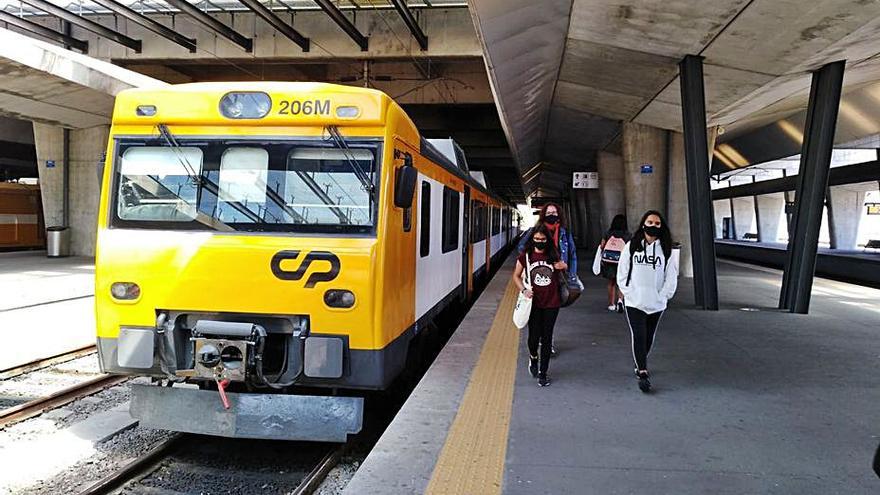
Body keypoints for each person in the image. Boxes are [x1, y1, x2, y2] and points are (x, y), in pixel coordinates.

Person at [616, 210, 679, 393]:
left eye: (657, 223)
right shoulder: (632, 246)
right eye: (650, 222)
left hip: (656, 303)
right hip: (634, 302)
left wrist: (663, 295)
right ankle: (642, 372)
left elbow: (671, 276)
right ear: (643, 224)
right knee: (639, 335)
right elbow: (622, 271)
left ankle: (639, 362)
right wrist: (629, 293)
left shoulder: (666, 249)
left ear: (662, 227)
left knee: (649, 337)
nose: (653, 226)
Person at [517, 203, 578, 356]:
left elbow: (572, 255)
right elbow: (521, 248)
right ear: (543, 214)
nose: (552, 214)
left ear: (560, 215)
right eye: (549, 212)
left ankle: (547, 343)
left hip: (556, 281)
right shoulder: (535, 232)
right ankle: (537, 347)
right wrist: (532, 262)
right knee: (536, 321)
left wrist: (570, 274)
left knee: (549, 319)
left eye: (555, 212)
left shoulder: (564, 233)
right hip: (537, 279)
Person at [512, 224, 566, 387]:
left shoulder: (553, 254)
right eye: (536, 239)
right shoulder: (526, 256)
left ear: (547, 240)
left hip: (552, 302)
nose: (539, 242)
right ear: (532, 240)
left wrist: (563, 266)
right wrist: (523, 291)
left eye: (542, 239)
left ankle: (543, 373)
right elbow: (516, 276)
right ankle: (533, 357)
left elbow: (563, 270)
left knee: (547, 337)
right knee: (534, 337)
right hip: (534, 303)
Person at [599, 214, 630, 313]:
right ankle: (620, 301)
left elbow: (602, 245)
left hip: (609, 261)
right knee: (621, 282)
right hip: (622, 261)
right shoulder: (627, 235)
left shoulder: (608, 233)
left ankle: (611, 304)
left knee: (611, 283)